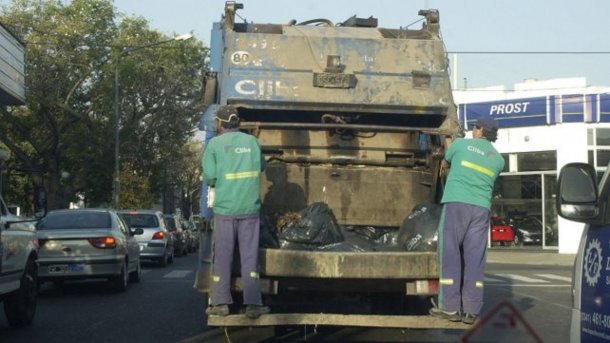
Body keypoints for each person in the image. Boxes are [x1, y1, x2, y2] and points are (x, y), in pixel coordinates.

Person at [429, 116, 505, 325]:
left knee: (451, 254)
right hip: (481, 209)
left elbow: (445, 162)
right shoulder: (499, 160)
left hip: (457, 204)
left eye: (475, 127)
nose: (472, 130)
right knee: (475, 259)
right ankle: (471, 310)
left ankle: (450, 308)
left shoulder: (460, 145)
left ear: (481, 131)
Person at [202, 105, 270, 319]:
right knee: (249, 258)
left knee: (223, 257)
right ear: (238, 123)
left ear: (220, 124)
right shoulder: (252, 142)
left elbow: (210, 177)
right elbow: (261, 166)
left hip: (225, 210)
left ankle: (221, 303)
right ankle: (253, 304)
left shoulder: (214, 144)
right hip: (249, 209)